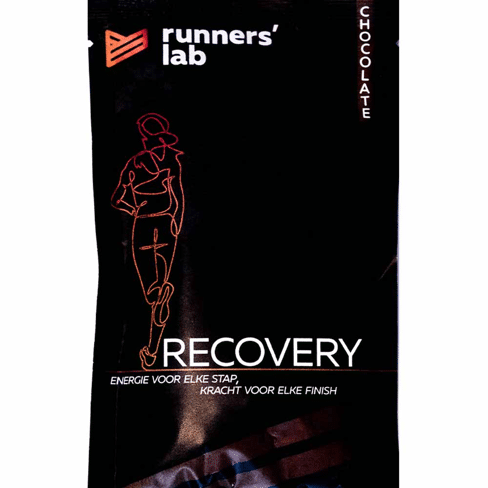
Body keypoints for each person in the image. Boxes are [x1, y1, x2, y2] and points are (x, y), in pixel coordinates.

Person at [111, 113, 184, 370]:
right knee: (162, 280)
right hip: (166, 224)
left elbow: (117, 199)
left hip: (143, 224)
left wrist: (133, 209)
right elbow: (178, 196)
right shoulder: (172, 162)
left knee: (151, 289)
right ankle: (152, 351)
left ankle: (157, 296)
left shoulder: (134, 164)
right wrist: (176, 220)